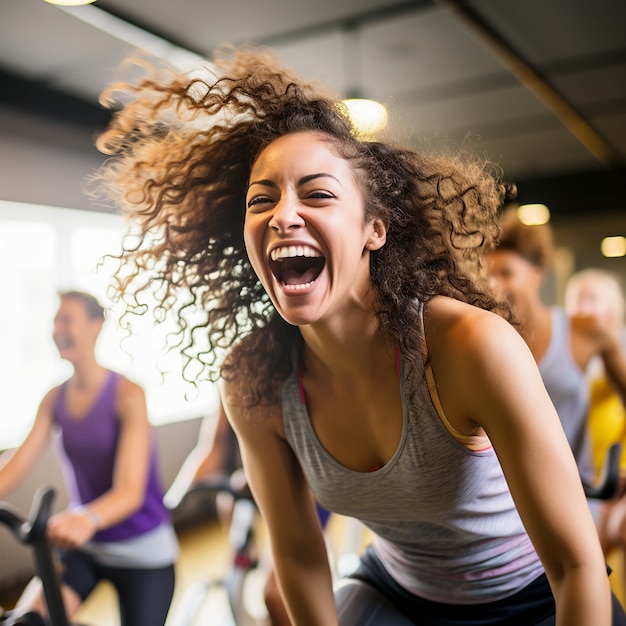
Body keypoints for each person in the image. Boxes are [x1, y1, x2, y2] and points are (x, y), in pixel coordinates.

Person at [91, 45, 625, 625]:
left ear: (374, 229)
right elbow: (296, 555)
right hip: (396, 593)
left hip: (534, 597)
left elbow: (576, 568)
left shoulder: (469, 346)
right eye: (261, 200)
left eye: (316, 193)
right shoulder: (255, 379)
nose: (282, 215)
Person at [0, 291, 178, 626]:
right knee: (28, 621)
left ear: (96, 326)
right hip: (85, 548)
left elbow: (130, 491)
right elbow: (18, 463)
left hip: (142, 550)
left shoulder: (128, 395)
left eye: (67, 319)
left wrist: (87, 519)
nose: (58, 329)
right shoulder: (54, 398)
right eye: (56, 320)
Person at [487, 209, 626, 518]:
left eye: (506, 273)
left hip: (576, 497)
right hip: (507, 502)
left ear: (536, 274)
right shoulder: (485, 342)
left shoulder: (584, 331)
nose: (495, 285)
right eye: (489, 275)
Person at [565, 268, 626, 598]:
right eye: (576, 300)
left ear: (615, 310)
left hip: (613, 484)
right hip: (577, 482)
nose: (581, 309)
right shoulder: (564, 355)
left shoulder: (618, 350)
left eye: (592, 299)